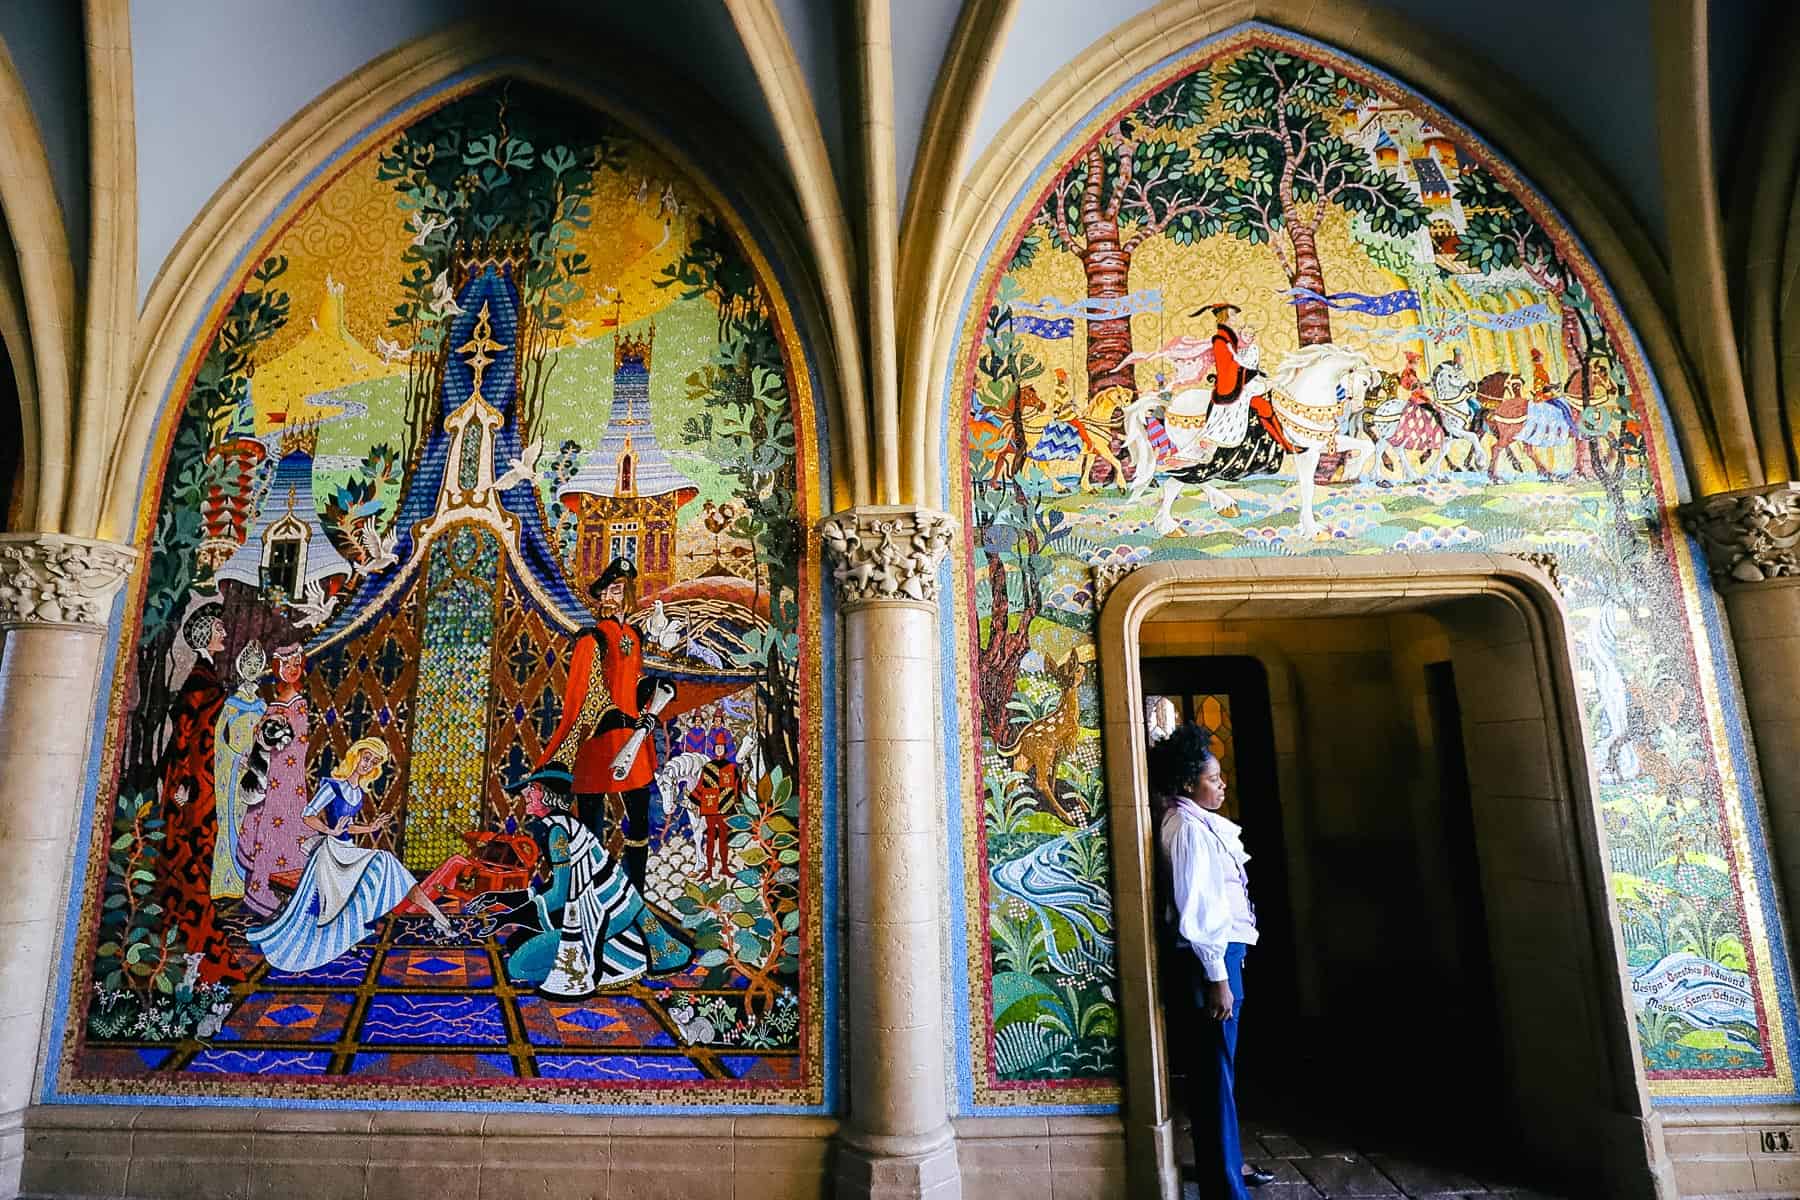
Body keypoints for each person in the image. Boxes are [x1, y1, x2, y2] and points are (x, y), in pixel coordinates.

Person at [1153, 724, 1275, 1198]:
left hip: (1222, 956)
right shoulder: (1187, 830)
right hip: (1210, 961)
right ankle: (1226, 1188)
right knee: (1214, 1078)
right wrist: (1218, 976)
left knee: (1216, 1076)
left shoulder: (1196, 823)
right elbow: (1198, 909)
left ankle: (1228, 1171)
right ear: (1188, 783)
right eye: (1213, 777)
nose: (1222, 784)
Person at [472, 763, 691, 994]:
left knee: (518, 966)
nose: (525, 794)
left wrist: (509, 917)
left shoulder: (559, 831)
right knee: (516, 942)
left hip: (604, 920)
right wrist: (501, 898)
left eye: (532, 788)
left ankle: (598, 963)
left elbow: (558, 895)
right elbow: (558, 886)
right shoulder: (566, 825)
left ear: (548, 796)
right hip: (606, 913)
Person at [248, 737, 452, 973]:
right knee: (376, 867)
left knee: (387, 865)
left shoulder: (358, 792)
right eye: (366, 758)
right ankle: (437, 919)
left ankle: (437, 917)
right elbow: (308, 815)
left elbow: (349, 826)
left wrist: (370, 828)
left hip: (348, 850)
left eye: (373, 762)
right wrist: (330, 830)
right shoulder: (333, 786)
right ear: (356, 755)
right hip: (331, 853)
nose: (368, 764)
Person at [537, 556, 667, 892]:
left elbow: (632, 683)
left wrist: (647, 698)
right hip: (598, 739)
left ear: (629, 595)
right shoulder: (591, 638)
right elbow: (587, 694)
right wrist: (622, 716)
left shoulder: (635, 637)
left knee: (639, 822)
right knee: (590, 826)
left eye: (618, 590)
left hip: (633, 740)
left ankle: (634, 893)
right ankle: (587, 894)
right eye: (607, 591)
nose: (610, 597)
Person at [155, 603, 245, 985]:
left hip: (204, 777)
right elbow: (184, 737)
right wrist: (180, 786)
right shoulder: (199, 681)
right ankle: (191, 934)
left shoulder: (206, 676)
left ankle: (194, 929)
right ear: (206, 635)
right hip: (194, 783)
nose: (224, 634)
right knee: (192, 849)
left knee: (201, 850)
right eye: (219, 629)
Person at [238, 642, 312, 916]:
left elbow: (296, 742)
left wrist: (274, 741)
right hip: (269, 773)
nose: (291, 670)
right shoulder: (276, 703)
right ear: (277, 668)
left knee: (281, 828)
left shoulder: (298, 703)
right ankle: (260, 890)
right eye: (286, 665)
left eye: (296, 664)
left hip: (287, 778)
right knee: (265, 829)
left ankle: (274, 889)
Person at [210, 641, 268, 900]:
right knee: (232, 823)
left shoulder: (262, 706)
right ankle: (228, 882)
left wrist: (258, 761)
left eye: (257, 665)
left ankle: (249, 883)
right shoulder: (231, 704)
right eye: (249, 664)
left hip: (255, 772)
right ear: (241, 667)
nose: (253, 668)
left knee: (253, 825)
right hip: (233, 774)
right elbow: (219, 741)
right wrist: (235, 759)